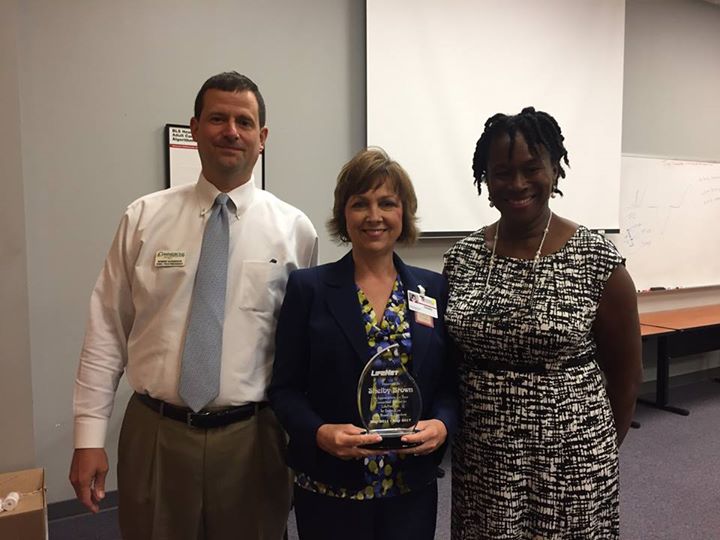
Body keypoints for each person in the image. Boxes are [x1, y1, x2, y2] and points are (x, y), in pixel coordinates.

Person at [69, 71, 318, 540]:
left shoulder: (295, 231)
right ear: (194, 128)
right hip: (157, 434)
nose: (231, 131)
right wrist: (87, 438)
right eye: (218, 118)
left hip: (253, 437)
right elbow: (106, 329)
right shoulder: (143, 218)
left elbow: (300, 346)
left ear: (261, 138)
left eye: (244, 122)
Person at [444, 107, 642, 539]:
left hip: (571, 457)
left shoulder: (596, 259)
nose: (517, 184)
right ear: (485, 178)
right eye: (502, 172)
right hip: (484, 456)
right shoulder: (462, 259)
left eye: (532, 168)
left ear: (554, 169)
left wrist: (597, 450)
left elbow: (626, 377)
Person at [269, 148, 458, 540]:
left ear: (403, 213)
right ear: (344, 215)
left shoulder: (432, 289)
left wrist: (441, 425)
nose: (374, 216)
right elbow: (284, 389)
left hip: (410, 487)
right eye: (360, 204)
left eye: (387, 203)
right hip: (330, 486)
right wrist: (320, 432)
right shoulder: (309, 289)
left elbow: (449, 385)